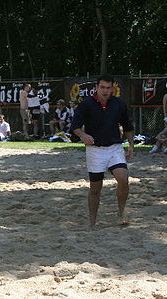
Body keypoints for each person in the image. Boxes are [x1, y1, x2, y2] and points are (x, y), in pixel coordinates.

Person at [70, 74, 135, 227]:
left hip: (114, 148)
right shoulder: (86, 104)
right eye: (102, 87)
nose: (105, 91)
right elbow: (74, 127)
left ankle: (121, 213)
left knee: (123, 179)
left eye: (108, 88)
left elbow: (127, 127)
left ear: (113, 88)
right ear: (96, 88)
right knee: (95, 190)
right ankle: (92, 222)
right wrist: (83, 135)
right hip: (95, 150)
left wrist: (131, 145)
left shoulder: (119, 104)